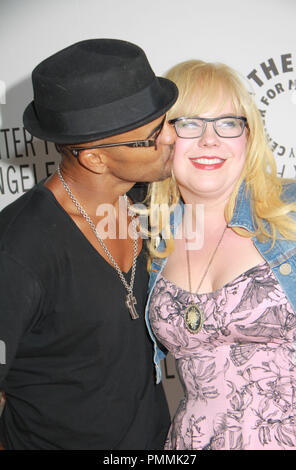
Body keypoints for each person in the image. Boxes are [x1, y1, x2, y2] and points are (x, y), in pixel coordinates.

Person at [0, 39, 178, 450]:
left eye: (169, 120)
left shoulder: (151, 206)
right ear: (96, 159)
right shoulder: (20, 249)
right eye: (153, 135)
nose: (171, 138)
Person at [145, 59, 296, 450]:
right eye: (189, 124)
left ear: (249, 136)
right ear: (163, 138)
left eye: (227, 123)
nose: (209, 140)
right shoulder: (147, 239)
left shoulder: (293, 213)